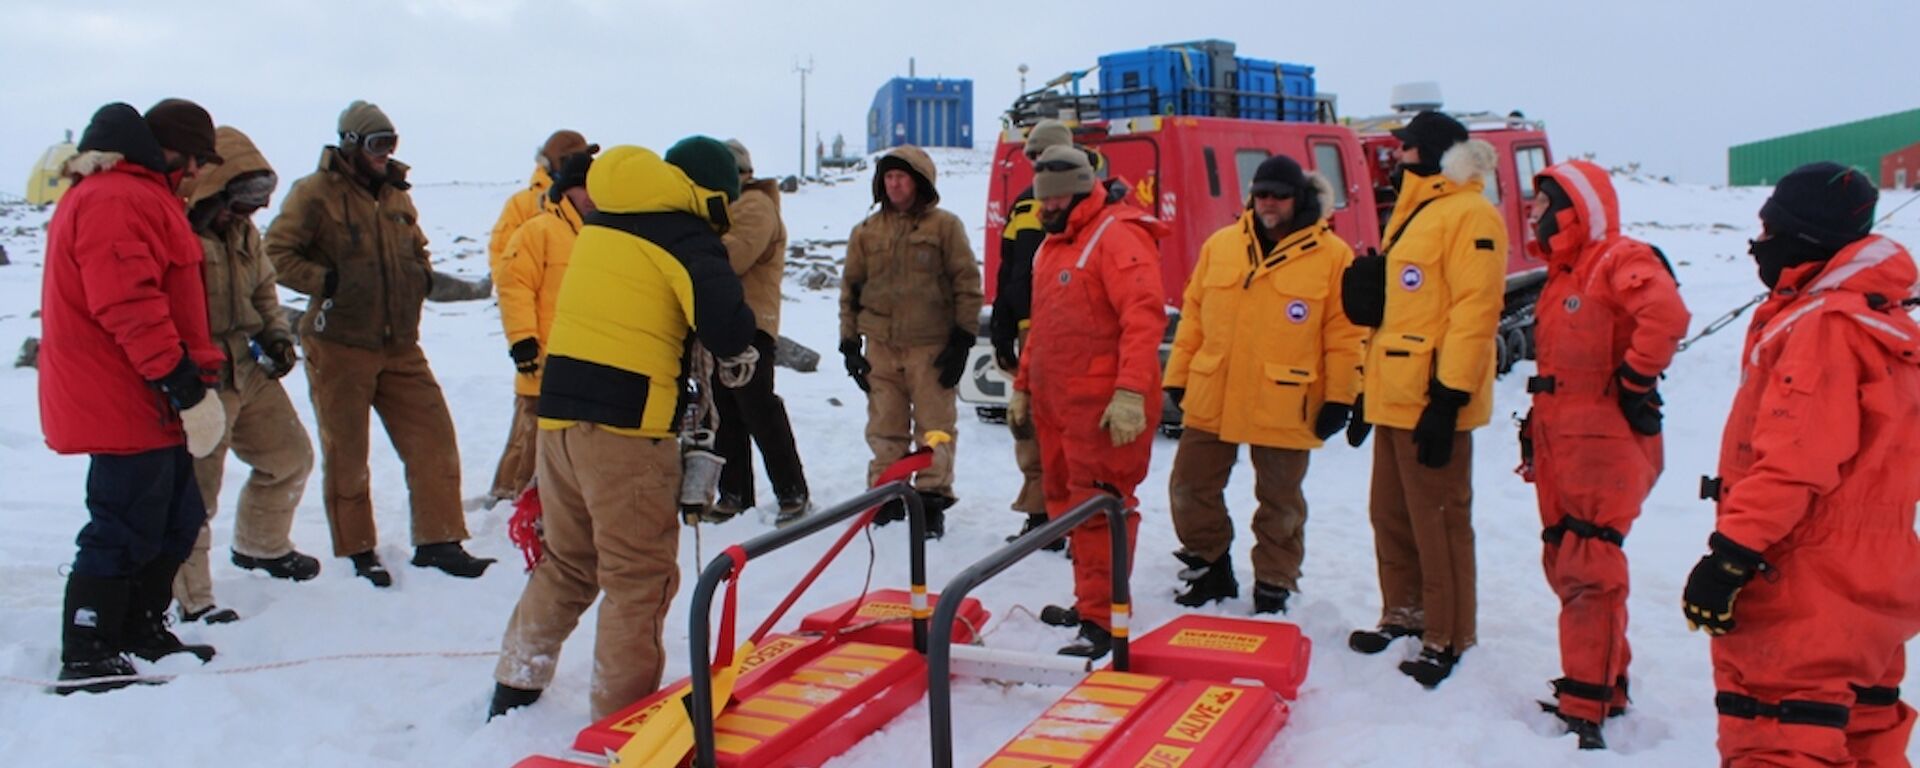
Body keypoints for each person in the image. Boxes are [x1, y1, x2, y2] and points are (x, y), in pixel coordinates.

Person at [489, 138, 758, 721]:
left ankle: (516, 682)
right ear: (714, 193)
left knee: (568, 561)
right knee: (638, 578)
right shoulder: (687, 237)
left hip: (558, 417)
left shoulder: (605, 222)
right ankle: (623, 722)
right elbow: (730, 328)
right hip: (626, 429)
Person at [1682, 162, 1920, 767]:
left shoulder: (1822, 329)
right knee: (1866, 735)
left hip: (1802, 581)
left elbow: (1795, 462)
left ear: (1803, 237)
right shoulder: (1887, 324)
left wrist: (1731, 556)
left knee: (1777, 734)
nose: (1758, 245)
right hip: (1875, 580)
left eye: (1768, 231)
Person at [41, 99, 228, 692]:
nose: (200, 172)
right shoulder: (116, 198)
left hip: (151, 397)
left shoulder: (146, 196)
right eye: (197, 157)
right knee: (123, 524)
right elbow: (127, 304)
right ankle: (88, 645)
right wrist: (178, 381)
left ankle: (140, 628)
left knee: (176, 518)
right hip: (124, 396)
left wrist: (186, 385)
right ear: (171, 149)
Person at [266, 100, 491, 586]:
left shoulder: (396, 196)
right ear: (351, 144)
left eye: (391, 143)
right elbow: (277, 253)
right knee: (347, 453)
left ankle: (439, 541)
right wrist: (326, 281)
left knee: (434, 439)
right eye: (376, 144)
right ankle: (358, 549)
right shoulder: (314, 193)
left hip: (401, 345)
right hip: (339, 344)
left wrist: (420, 276)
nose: (385, 154)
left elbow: (418, 249)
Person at [1521, 159, 1689, 749]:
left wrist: (1637, 381)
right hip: (1564, 441)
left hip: (1603, 444)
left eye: (1543, 205)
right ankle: (1603, 686)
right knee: (1569, 559)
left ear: (1573, 208)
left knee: (1588, 567)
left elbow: (1665, 316)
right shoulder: (1565, 272)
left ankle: (1585, 702)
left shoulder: (1617, 258)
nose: (1532, 214)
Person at [1341, 110, 1505, 687]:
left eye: (1406, 147)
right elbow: (1395, 315)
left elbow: (1473, 313)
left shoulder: (1470, 214)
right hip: (1394, 394)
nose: (1397, 156)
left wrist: (1450, 397)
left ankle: (1448, 632)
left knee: (1439, 521)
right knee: (1390, 515)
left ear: (1431, 151)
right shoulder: (1413, 214)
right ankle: (1404, 613)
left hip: (1434, 398)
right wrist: (1365, 391)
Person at [1161, 155, 1365, 615]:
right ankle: (1209, 566)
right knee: (1188, 487)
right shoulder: (1221, 245)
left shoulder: (1333, 256)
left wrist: (1341, 396)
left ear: (1300, 199)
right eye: (1262, 194)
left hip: (1286, 399)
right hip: (1214, 390)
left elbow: (1345, 334)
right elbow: (1193, 316)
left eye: (1280, 195)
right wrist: (1178, 375)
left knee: (1280, 502)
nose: (1269, 203)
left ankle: (1275, 581)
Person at [1009, 144, 1167, 658]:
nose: (1046, 209)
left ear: (1080, 191)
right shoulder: (1052, 246)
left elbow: (1143, 320)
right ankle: (1090, 600)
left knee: (1103, 508)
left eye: (1055, 200)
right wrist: (1023, 386)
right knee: (1068, 506)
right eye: (1041, 200)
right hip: (1059, 407)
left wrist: (1129, 394)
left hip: (1103, 410)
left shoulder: (1117, 236)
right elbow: (1045, 324)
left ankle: (1106, 619)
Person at [172, 126, 322, 625]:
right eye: (240, 202)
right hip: (200, 373)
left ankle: (261, 546)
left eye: (256, 204)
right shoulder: (175, 229)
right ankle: (191, 598)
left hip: (248, 365)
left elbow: (264, 292)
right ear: (214, 187)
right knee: (196, 493)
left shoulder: (244, 233)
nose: (247, 213)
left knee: (291, 458)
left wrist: (278, 337)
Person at [838, 145, 982, 538]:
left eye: (902, 176)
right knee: (885, 427)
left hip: (932, 348)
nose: (894, 183)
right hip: (881, 348)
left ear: (919, 182)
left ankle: (931, 501)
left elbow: (967, 284)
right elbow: (850, 289)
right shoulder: (865, 232)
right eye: (888, 176)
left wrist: (963, 340)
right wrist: (849, 344)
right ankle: (886, 496)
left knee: (935, 428)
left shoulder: (945, 227)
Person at [485, 129, 597, 506]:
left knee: (552, 433)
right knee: (529, 428)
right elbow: (509, 273)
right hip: (540, 339)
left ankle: (541, 498)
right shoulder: (525, 208)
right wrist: (523, 338)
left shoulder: (595, 215)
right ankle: (508, 500)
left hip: (577, 346)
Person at [707, 138, 810, 524]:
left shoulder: (754, 205)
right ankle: (734, 493)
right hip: (725, 322)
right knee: (725, 410)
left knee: (757, 408)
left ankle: (791, 490)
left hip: (750, 324)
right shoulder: (732, 206)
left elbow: (732, 256)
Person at [995, 119, 1071, 547]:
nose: (1038, 165)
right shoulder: (1025, 204)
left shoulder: (1088, 200)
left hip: (1071, 336)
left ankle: (1077, 514)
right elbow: (1011, 270)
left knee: (1071, 431)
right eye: (1033, 158)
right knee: (1028, 425)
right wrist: (1004, 328)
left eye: (1044, 156)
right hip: (1029, 334)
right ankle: (1039, 512)